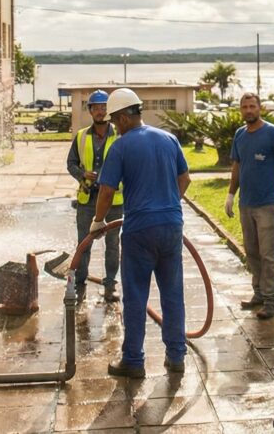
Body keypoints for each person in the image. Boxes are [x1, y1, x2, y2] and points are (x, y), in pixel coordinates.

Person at [89, 88, 191, 378]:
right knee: (172, 295)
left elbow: (107, 191)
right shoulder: (168, 139)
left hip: (139, 231)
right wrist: (167, 204)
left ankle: (133, 361)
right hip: (171, 226)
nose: (113, 125)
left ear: (122, 118)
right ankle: (176, 357)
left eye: (114, 120)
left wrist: (97, 222)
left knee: (135, 296)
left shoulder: (120, 147)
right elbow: (185, 179)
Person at [224, 92, 274, 319]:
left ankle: (272, 302)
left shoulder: (273, 133)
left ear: (260, 108)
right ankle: (259, 294)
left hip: (267, 205)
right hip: (247, 204)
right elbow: (237, 166)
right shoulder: (240, 135)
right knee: (252, 253)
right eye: (244, 107)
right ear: (240, 110)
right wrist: (230, 194)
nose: (248, 110)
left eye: (252, 106)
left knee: (268, 255)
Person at [66, 89, 123, 303]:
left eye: (104, 107)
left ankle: (110, 285)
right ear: (90, 111)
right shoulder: (81, 136)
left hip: (114, 200)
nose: (100, 111)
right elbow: (70, 163)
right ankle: (80, 284)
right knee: (84, 243)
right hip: (88, 198)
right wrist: (82, 175)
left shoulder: (120, 135)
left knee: (113, 244)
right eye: (96, 108)